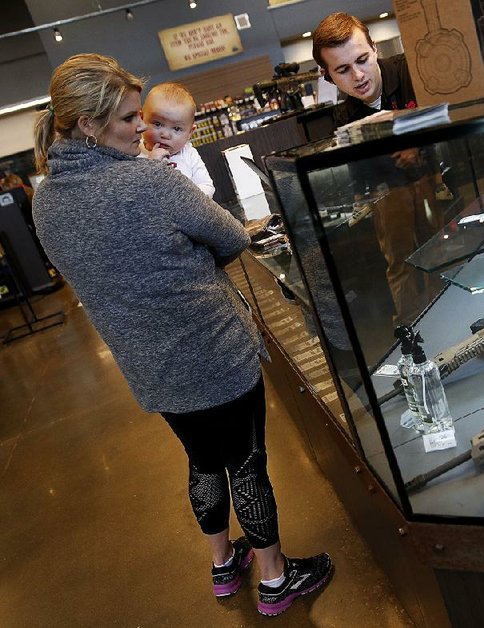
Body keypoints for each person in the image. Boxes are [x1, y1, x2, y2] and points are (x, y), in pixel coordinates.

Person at [31, 53, 331, 617]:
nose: (141, 128)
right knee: (247, 463)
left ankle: (223, 564)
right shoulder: (148, 181)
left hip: (151, 368)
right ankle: (274, 576)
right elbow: (229, 236)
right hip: (214, 352)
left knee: (201, 461)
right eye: (126, 119)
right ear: (87, 125)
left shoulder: (47, 201)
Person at [312, 13, 448, 326]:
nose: (358, 76)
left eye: (362, 59)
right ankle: (412, 327)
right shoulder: (346, 116)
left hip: (430, 177)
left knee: (438, 250)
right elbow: (361, 170)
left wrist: (418, 145)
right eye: (343, 70)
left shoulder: (413, 71)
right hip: (389, 191)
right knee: (399, 261)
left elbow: (450, 112)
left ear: (375, 48)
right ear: (328, 76)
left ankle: (446, 309)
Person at [139, 82, 215, 197]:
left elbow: (207, 186)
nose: (165, 135)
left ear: (190, 133)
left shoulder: (189, 154)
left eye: (177, 128)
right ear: (141, 118)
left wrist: (186, 199)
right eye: (158, 124)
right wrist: (151, 166)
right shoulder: (134, 152)